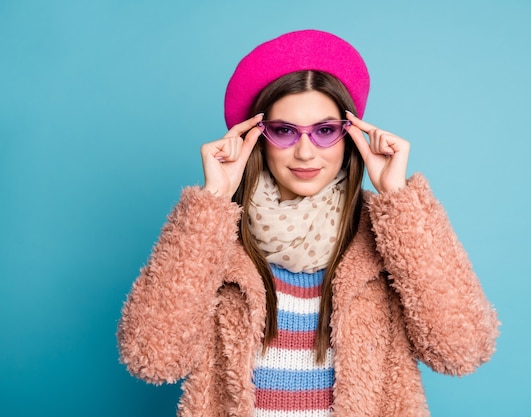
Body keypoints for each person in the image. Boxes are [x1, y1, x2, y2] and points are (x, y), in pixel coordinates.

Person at [117, 29, 499, 417]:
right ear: (257, 137)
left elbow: (462, 350)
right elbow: (151, 356)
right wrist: (211, 203)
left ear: (349, 136)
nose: (304, 151)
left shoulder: (389, 232)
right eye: (284, 131)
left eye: (325, 131)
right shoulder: (217, 235)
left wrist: (399, 199)